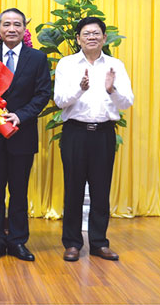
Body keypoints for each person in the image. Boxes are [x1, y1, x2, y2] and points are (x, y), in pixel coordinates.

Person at [54, 16, 134, 262]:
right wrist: (80, 88)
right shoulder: (67, 64)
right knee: (73, 189)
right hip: (75, 133)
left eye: (96, 33)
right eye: (86, 33)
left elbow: (127, 102)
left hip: (103, 134)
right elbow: (59, 101)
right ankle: (73, 244)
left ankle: (99, 243)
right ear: (77, 38)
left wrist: (112, 89)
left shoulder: (115, 65)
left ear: (104, 37)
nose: (91, 37)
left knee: (101, 190)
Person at [0, 8, 51, 261]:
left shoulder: (37, 58)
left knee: (19, 191)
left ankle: (18, 241)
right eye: (6, 24)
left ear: (24, 28)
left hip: (22, 133)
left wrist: (20, 115)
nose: (11, 29)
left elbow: (43, 94)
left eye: (17, 24)